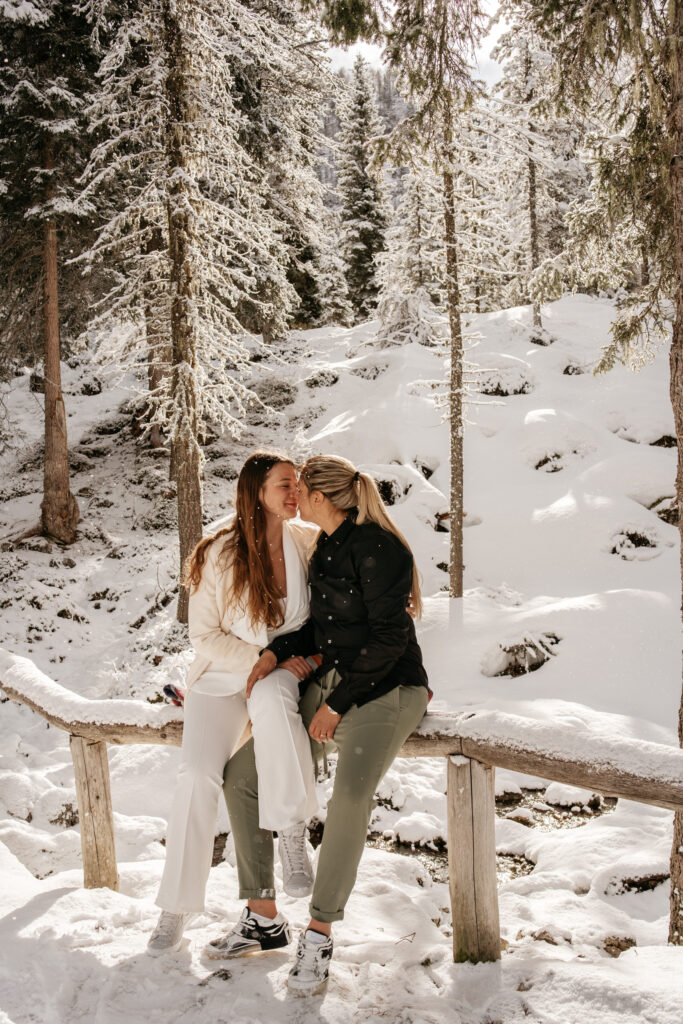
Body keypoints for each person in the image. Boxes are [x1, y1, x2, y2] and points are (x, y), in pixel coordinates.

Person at [206, 454, 430, 996]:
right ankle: (262, 914)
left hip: (388, 690)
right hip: (334, 684)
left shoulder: (380, 548)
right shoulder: (325, 547)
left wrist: (335, 705)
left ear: (321, 499)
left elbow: (389, 640)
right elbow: (320, 632)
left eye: (300, 488)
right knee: (242, 778)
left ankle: (320, 931)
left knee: (351, 799)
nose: (293, 496)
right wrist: (274, 653)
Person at [147, 451, 320, 954]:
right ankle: (175, 907)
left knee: (271, 704)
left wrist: (287, 661)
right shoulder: (216, 553)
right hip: (223, 679)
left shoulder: (306, 542)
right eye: (285, 486)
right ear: (256, 492)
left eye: (298, 485)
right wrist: (260, 658)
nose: (295, 494)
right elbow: (204, 635)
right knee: (197, 775)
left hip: (283, 679)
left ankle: (291, 831)